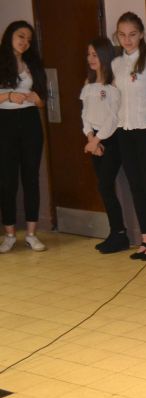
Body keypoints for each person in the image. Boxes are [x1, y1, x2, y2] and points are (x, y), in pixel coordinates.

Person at [112, 12, 146, 261]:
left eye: (132, 34)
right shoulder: (116, 64)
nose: (127, 40)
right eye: (122, 35)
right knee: (135, 185)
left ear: (141, 34)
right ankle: (145, 236)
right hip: (124, 130)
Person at [0, 21, 46, 253]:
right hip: (4, 122)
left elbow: (42, 100)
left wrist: (37, 100)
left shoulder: (33, 63)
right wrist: (8, 96)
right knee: (7, 180)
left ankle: (31, 234)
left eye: (28, 39)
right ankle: (9, 234)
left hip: (30, 122)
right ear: (9, 35)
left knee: (31, 178)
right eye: (21, 36)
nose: (24, 42)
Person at [80, 37, 129, 254]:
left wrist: (97, 140)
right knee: (104, 186)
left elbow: (112, 117)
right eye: (89, 54)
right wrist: (90, 137)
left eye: (95, 54)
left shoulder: (112, 84)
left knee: (105, 186)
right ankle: (115, 232)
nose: (91, 59)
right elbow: (85, 114)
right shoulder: (88, 83)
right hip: (94, 140)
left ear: (105, 56)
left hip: (110, 139)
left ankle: (120, 234)